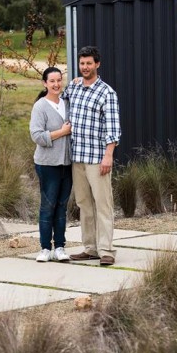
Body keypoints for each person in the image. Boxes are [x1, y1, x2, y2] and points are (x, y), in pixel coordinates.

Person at [63, 46, 121, 266]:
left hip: (98, 159)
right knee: (84, 205)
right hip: (77, 157)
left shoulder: (107, 92)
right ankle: (90, 248)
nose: (85, 67)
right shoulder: (74, 87)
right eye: (82, 63)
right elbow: (59, 96)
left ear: (97, 64)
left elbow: (113, 128)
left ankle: (106, 250)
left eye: (89, 63)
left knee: (103, 204)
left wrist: (109, 155)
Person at [29, 66, 72, 262]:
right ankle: (45, 248)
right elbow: (36, 135)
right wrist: (61, 132)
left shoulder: (67, 102)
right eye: (52, 81)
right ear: (45, 83)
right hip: (47, 164)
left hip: (67, 164)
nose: (56, 84)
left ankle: (60, 247)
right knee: (48, 206)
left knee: (62, 207)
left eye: (59, 80)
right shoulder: (40, 106)